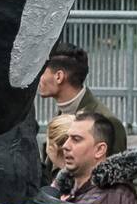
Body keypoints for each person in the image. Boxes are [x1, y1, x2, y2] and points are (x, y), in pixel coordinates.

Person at [35, 42, 109, 173]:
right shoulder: (62, 113)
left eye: (41, 72)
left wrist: (64, 168)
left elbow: (110, 181)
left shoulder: (104, 122)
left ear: (59, 77)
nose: (37, 78)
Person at [51, 112, 137, 204]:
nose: (65, 146)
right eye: (67, 138)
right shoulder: (64, 188)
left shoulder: (114, 195)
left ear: (99, 150)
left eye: (76, 139)